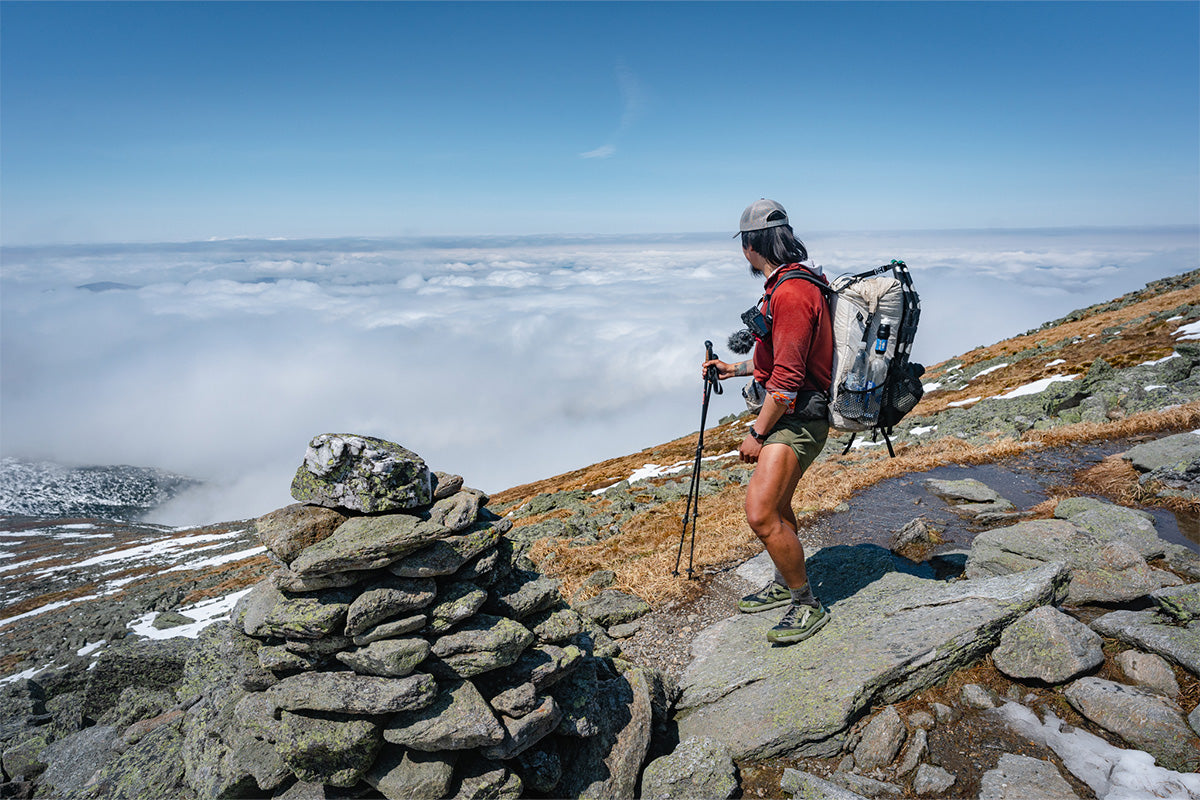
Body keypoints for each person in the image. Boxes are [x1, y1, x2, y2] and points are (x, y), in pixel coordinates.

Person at [702, 198, 834, 645]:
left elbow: (789, 380)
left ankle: (806, 604)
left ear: (750, 247)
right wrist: (732, 369)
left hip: (798, 419)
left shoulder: (793, 293)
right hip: (793, 414)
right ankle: (785, 583)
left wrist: (757, 433)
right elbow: (779, 361)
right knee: (776, 507)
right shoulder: (789, 285)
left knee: (760, 514)